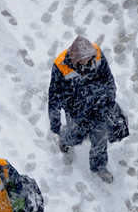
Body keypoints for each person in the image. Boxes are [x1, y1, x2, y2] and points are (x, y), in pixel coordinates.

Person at [48, 35, 117, 184]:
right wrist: (55, 124)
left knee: (100, 138)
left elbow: (108, 80)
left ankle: (99, 166)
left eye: (90, 58)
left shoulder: (97, 55)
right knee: (75, 136)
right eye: (85, 59)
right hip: (76, 110)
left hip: (98, 105)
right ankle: (65, 139)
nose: (89, 62)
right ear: (76, 59)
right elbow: (54, 97)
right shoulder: (60, 66)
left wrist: (108, 101)